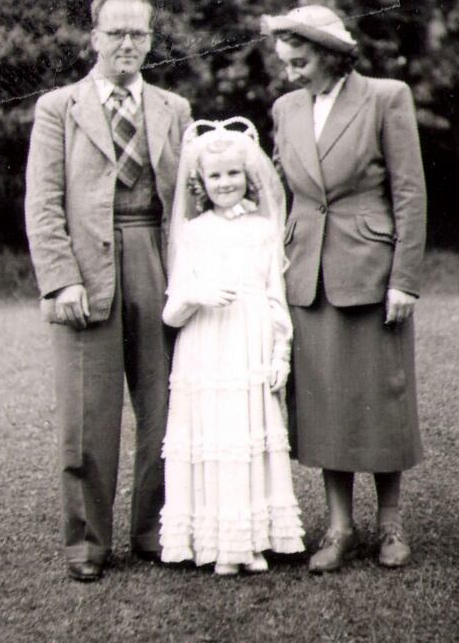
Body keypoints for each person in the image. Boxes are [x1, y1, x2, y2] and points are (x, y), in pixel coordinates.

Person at [25, 0, 191, 582]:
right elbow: (42, 204)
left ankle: (155, 529)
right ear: (93, 37)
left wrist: (193, 275)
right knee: (87, 413)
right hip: (85, 266)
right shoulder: (58, 107)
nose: (127, 43)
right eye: (115, 32)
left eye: (138, 33)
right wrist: (61, 280)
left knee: (164, 404)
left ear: (150, 39)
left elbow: (186, 204)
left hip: (155, 255)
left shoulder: (174, 108)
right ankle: (87, 542)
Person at [260, 4, 427, 572]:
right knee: (323, 400)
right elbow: (280, 190)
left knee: (381, 397)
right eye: (285, 64)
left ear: (330, 54)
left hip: (372, 270)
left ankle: (390, 525)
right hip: (305, 270)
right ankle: (338, 527)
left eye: (300, 62)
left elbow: (409, 193)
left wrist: (404, 279)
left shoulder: (386, 96)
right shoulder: (285, 108)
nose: (291, 74)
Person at [159, 118, 305, 576]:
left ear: (249, 175)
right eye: (215, 176)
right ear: (200, 182)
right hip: (206, 344)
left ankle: (254, 540)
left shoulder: (263, 229)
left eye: (233, 174)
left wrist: (281, 352)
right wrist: (196, 296)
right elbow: (171, 312)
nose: (225, 183)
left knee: (248, 437)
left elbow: (275, 296)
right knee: (215, 438)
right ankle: (218, 544)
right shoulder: (193, 232)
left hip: (250, 340)